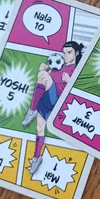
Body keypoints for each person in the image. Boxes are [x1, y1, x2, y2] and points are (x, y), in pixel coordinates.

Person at [24, 41, 84, 175]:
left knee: (43, 76)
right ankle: (36, 158)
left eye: (69, 52)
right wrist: (45, 70)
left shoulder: (76, 70)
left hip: (57, 101)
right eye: (64, 52)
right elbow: (47, 81)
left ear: (76, 53)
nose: (66, 55)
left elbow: (80, 92)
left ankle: (32, 110)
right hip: (47, 100)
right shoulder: (58, 65)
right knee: (40, 128)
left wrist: (70, 81)